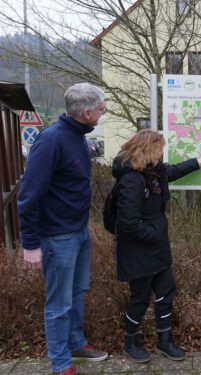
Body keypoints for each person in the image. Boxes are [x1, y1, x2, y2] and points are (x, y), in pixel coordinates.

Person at [18, 83, 109, 375]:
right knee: (58, 303)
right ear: (86, 113)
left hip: (78, 232)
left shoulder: (78, 135)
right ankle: (60, 363)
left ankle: (76, 343)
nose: (103, 113)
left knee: (78, 290)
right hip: (57, 237)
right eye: (101, 110)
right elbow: (29, 195)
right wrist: (31, 244)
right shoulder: (52, 140)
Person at [112, 129, 201, 363]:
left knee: (165, 294)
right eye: (160, 148)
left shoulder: (152, 172)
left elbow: (171, 172)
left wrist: (195, 163)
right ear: (148, 150)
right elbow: (128, 223)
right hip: (139, 251)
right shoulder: (132, 180)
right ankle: (131, 342)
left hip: (157, 249)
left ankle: (164, 342)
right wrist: (154, 235)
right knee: (140, 298)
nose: (162, 152)